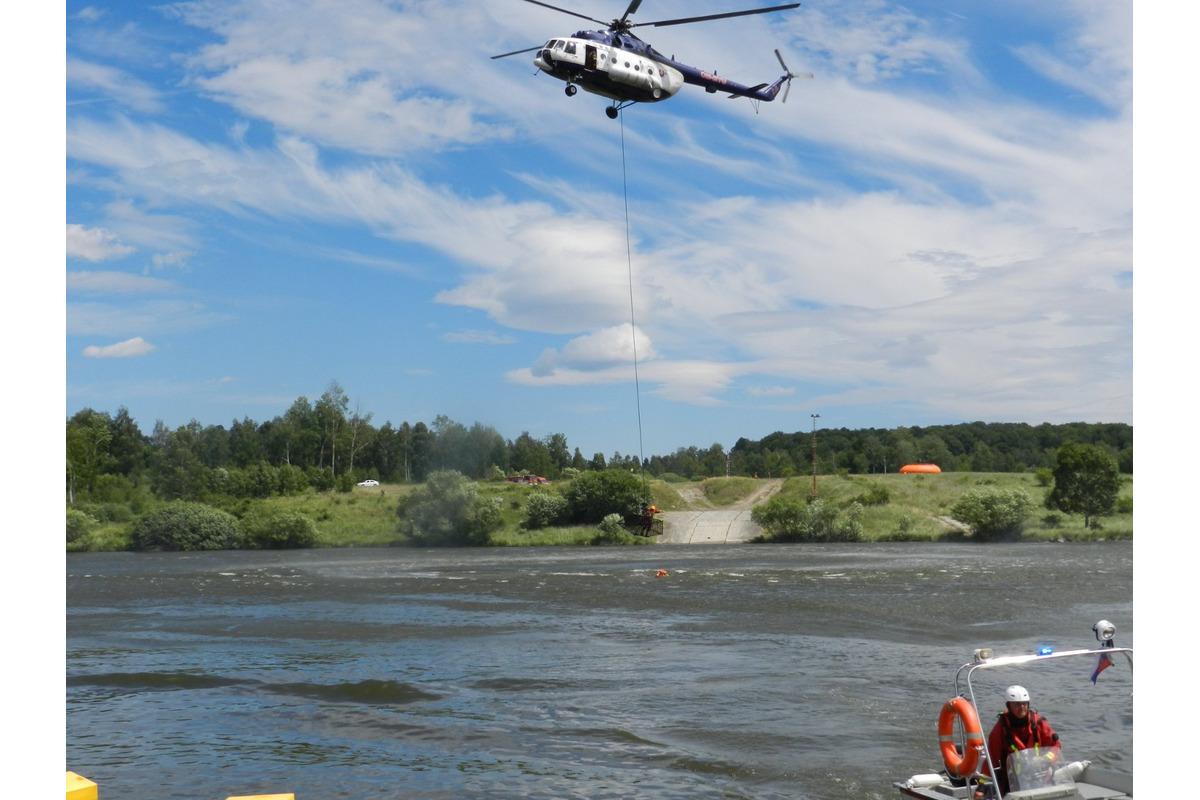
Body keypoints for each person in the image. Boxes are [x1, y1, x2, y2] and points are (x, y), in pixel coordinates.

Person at [983, 685, 1061, 797]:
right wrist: (982, 784)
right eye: (1017, 704)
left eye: (1024, 703)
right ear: (1008, 706)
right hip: (1012, 783)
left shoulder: (1039, 723)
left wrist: (1045, 759)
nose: (1022, 707)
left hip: (1041, 779)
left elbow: (1055, 746)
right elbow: (991, 759)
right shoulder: (1000, 730)